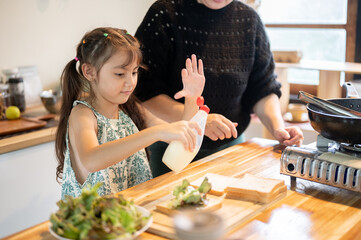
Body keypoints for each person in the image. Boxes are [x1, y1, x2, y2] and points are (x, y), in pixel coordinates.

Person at [134, 0, 304, 177]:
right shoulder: (164, 14)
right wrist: (198, 120)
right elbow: (146, 91)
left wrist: (278, 128)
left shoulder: (249, 20)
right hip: (174, 146)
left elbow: (263, 88)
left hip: (231, 147)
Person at [55, 27, 205, 199]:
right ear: (89, 72)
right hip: (92, 221)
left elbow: (179, 138)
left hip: (130, 215)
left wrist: (192, 99)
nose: (130, 82)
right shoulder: (82, 114)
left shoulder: (129, 108)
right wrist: (155, 133)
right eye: (120, 74)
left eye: (134, 72)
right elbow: (91, 159)